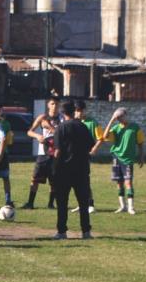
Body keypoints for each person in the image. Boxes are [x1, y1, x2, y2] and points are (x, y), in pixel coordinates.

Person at [52, 100, 95, 240]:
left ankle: (62, 232)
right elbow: (91, 145)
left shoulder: (61, 128)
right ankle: (86, 232)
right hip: (82, 169)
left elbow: (57, 151)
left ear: (63, 113)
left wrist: (54, 165)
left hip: (64, 170)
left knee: (62, 203)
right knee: (83, 203)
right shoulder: (83, 126)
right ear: (73, 111)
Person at [102, 108, 145, 214]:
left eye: (121, 116)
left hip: (128, 160)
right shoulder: (116, 128)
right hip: (117, 158)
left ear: (126, 115)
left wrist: (141, 156)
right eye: (118, 118)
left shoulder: (135, 127)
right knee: (119, 183)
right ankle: (122, 206)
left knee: (128, 182)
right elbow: (105, 136)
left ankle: (131, 207)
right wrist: (112, 120)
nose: (120, 119)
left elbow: (140, 143)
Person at [23, 96, 60, 209]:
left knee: (54, 180)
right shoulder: (42, 117)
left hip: (55, 153)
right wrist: (37, 136)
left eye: (57, 104)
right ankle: (30, 203)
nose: (54, 106)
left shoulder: (62, 119)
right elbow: (29, 132)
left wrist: (49, 126)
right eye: (52, 104)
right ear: (48, 105)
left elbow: (61, 135)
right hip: (43, 153)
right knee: (35, 179)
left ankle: (51, 204)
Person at [72, 100, 102, 214]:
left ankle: (90, 204)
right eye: (76, 111)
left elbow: (100, 137)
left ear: (84, 110)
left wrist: (94, 149)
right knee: (75, 181)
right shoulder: (73, 122)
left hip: (85, 155)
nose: (78, 113)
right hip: (74, 155)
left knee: (85, 180)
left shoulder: (92, 122)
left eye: (80, 111)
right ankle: (81, 204)